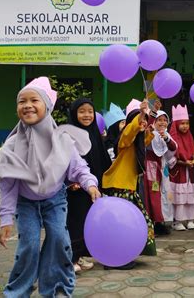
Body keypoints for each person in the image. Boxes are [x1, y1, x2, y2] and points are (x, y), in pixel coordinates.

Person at [0, 77, 101, 297]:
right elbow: (8, 185)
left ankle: (56, 288)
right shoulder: (11, 146)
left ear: (47, 107)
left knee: (59, 241)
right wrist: (5, 219)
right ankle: (18, 291)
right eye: (22, 101)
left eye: (34, 100)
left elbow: (78, 167)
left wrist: (90, 184)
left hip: (55, 199)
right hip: (26, 203)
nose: (28, 105)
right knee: (29, 246)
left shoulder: (61, 140)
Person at [102, 99, 157, 266]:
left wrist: (151, 123)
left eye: (145, 121)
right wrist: (140, 115)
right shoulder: (125, 140)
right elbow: (131, 132)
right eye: (141, 121)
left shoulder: (137, 142)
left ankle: (124, 253)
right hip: (120, 186)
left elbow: (143, 139)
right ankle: (115, 258)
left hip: (127, 187)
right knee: (121, 225)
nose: (143, 123)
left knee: (136, 222)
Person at [67, 98, 112, 273]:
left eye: (90, 111)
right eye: (82, 111)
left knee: (88, 222)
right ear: (74, 114)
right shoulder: (68, 134)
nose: (87, 115)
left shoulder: (94, 133)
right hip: (76, 189)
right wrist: (70, 182)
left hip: (93, 187)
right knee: (75, 223)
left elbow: (102, 159)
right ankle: (69, 259)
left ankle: (80, 256)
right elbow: (64, 161)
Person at [144, 110, 177, 235]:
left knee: (164, 194)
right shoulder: (150, 133)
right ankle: (153, 222)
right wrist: (152, 113)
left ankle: (161, 221)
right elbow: (147, 129)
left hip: (163, 168)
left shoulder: (166, 135)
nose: (162, 123)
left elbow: (174, 147)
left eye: (165, 120)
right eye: (159, 120)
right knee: (153, 193)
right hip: (151, 168)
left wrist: (167, 138)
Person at [169, 104, 194, 231]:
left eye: (187, 123)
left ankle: (190, 219)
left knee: (189, 196)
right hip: (178, 173)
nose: (185, 126)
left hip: (188, 174)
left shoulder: (190, 137)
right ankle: (177, 220)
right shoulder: (172, 139)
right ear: (176, 124)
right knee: (178, 197)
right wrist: (183, 162)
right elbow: (170, 158)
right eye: (182, 123)